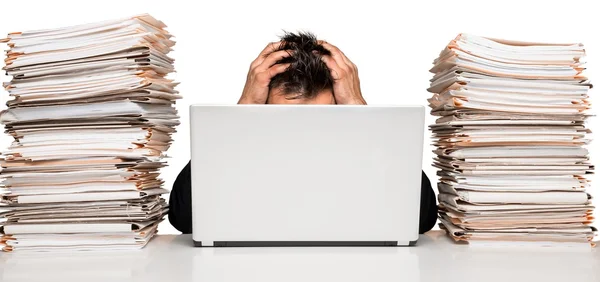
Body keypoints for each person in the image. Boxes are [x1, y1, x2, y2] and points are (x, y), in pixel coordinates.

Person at [168, 32, 438, 234]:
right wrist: (243, 111)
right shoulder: (240, 148)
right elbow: (183, 218)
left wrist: (359, 111)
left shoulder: (363, 147)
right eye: (282, 119)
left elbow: (422, 218)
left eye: (321, 119)